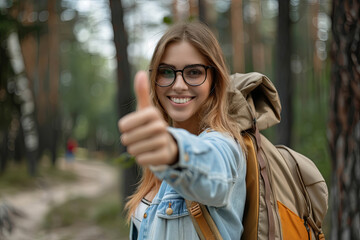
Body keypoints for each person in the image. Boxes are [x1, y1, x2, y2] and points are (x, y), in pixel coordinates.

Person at [118, 22, 246, 240]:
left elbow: (213, 169)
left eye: (194, 72)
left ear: (214, 79)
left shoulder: (225, 145)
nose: (178, 84)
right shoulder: (154, 167)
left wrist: (174, 151)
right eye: (166, 72)